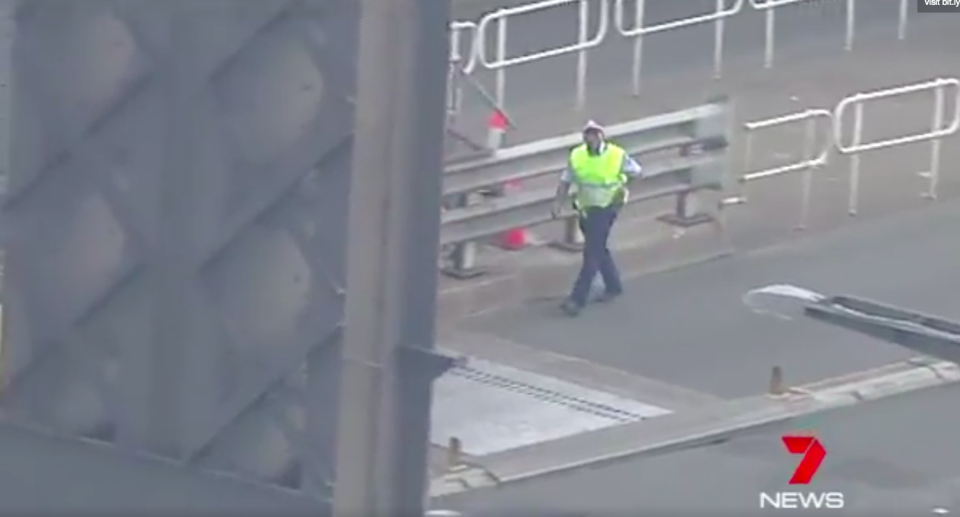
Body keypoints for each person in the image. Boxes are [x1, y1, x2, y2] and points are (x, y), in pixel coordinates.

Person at [551, 121, 642, 317]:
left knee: (591, 253)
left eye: (595, 134)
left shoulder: (616, 154)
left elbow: (636, 171)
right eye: (588, 135)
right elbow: (566, 180)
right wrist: (558, 203)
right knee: (598, 247)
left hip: (608, 207)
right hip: (586, 208)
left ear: (602, 136)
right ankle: (613, 285)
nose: (592, 138)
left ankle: (577, 300)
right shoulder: (577, 155)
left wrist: (623, 188)